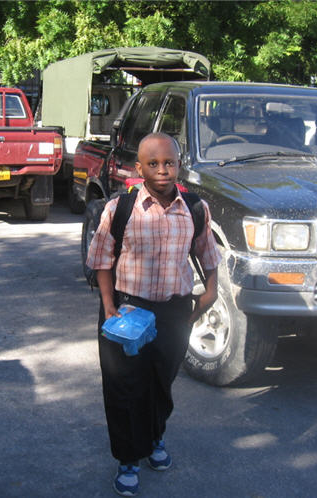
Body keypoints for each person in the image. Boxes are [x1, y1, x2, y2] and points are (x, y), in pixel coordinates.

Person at [86, 132, 221, 496]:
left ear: (179, 165)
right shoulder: (121, 209)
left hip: (174, 311)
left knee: (161, 380)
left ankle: (155, 437)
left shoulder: (194, 208)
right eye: (154, 164)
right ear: (139, 168)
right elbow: (101, 260)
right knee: (123, 385)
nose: (162, 170)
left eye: (170, 163)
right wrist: (108, 303)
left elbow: (207, 253)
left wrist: (211, 290)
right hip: (127, 308)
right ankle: (128, 457)